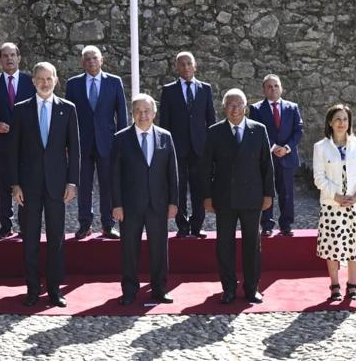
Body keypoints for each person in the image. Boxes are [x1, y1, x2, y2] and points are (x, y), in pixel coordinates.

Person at [9, 62, 80, 308]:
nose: (45, 83)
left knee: (56, 238)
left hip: (57, 185)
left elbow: (75, 149)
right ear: (33, 81)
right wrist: (15, 185)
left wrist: (72, 182)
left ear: (56, 80)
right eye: (40, 78)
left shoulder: (68, 109)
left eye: (49, 78)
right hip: (28, 187)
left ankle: (54, 289)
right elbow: (13, 151)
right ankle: (31, 288)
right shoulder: (20, 110)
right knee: (29, 238)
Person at [201, 88, 275, 304]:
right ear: (224, 108)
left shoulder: (259, 130)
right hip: (224, 198)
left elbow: (266, 166)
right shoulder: (215, 132)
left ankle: (252, 288)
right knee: (225, 244)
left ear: (246, 107)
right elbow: (206, 167)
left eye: (238, 105)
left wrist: (268, 194)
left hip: (252, 197)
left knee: (252, 244)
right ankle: (229, 288)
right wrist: (207, 196)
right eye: (230, 105)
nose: (234, 109)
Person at [111, 93, 178, 306]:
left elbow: (172, 173)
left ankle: (159, 288)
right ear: (132, 113)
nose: (143, 115)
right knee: (129, 249)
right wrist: (117, 205)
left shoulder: (165, 136)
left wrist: (173, 202)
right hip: (130, 205)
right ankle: (129, 290)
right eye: (138, 111)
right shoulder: (121, 138)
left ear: (154, 113)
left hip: (158, 204)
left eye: (147, 110)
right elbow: (114, 175)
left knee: (159, 248)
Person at [65, 45, 128, 239]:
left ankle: (108, 225)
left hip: (107, 144)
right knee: (83, 186)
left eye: (95, 58)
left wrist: (122, 143)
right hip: (81, 145)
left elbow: (122, 115)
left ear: (102, 60)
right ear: (82, 62)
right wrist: (68, 144)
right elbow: (69, 117)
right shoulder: (73, 84)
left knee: (108, 185)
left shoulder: (114, 82)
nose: (91, 62)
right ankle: (85, 224)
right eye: (87, 59)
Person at [0, 42, 36, 239]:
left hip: (25, 146)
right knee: (3, 187)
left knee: (25, 185)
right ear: (0, 59)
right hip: (1, 144)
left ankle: (25, 226)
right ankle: (5, 225)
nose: (9, 59)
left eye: (13, 55)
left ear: (19, 58)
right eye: (5, 56)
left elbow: (37, 109)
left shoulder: (31, 82)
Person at [313, 104, 356, 301]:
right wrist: (336, 196)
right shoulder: (320, 147)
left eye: (345, 119)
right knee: (333, 245)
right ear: (330, 122)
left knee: (354, 244)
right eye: (337, 119)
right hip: (332, 205)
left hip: (355, 204)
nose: (341, 123)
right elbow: (319, 178)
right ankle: (334, 285)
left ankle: (352, 285)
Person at [159, 51, 216, 238]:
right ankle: (182, 226)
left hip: (200, 148)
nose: (185, 67)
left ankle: (197, 225)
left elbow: (211, 121)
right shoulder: (168, 90)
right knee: (179, 188)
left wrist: (211, 148)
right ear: (176, 67)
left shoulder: (205, 89)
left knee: (200, 187)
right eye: (181, 64)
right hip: (177, 149)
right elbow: (164, 124)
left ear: (195, 66)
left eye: (189, 64)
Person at [249, 74, 304, 237]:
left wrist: (286, 147)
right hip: (266, 157)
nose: (273, 89)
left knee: (286, 192)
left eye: (276, 86)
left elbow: (298, 130)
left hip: (287, 156)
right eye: (269, 86)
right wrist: (273, 147)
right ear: (264, 90)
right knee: (266, 192)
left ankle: (286, 224)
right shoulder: (256, 109)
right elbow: (255, 131)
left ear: (281, 88)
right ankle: (266, 224)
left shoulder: (292, 107)